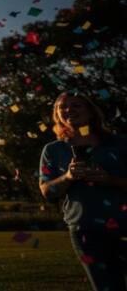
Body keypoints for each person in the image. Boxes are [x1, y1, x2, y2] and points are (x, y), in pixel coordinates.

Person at [39, 92, 127, 291]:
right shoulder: (53, 150)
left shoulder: (119, 143)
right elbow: (47, 191)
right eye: (62, 107)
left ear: (90, 111)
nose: (69, 110)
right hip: (86, 232)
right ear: (57, 115)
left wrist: (110, 179)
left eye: (76, 105)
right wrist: (68, 177)